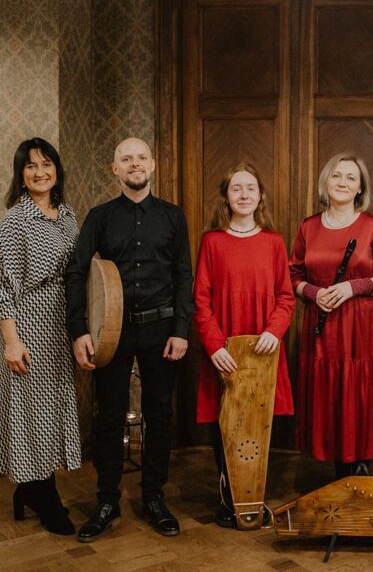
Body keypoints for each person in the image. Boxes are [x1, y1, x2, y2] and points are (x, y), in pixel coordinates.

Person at [65, 137, 193, 542]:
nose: (134, 164)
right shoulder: (99, 217)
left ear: (152, 165)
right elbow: (76, 272)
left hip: (161, 328)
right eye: (126, 159)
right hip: (111, 331)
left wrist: (181, 330)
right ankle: (107, 501)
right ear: (115, 169)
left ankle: (154, 497)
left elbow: (183, 275)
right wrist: (79, 330)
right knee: (109, 415)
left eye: (140, 157)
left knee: (159, 415)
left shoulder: (173, 216)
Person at [193, 163, 295, 528]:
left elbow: (286, 296)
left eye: (250, 188)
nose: (244, 194)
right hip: (225, 350)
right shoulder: (212, 242)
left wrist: (274, 331)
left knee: (258, 420)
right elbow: (201, 300)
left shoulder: (273, 242)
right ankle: (228, 498)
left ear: (260, 195)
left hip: (263, 348)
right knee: (227, 420)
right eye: (236, 188)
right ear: (226, 196)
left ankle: (255, 495)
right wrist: (214, 346)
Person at [290, 153, 373, 478]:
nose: (343, 182)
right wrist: (313, 293)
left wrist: (353, 287)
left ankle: (359, 469)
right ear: (326, 181)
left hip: (363, 326)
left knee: (359, 392)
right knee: (331, 394)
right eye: (337, 175)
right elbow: (292, 275)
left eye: (351, 177)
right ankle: (340, 470)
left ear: (360, 187)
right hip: (323, 325)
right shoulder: (308, 226)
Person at [0, 137, 81, 535]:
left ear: (57, 170)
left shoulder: (67, 216)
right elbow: (2, 286)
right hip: (28, 322)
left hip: (61, 325)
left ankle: (30, 489)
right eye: (30, 166)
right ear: (20, 175)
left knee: (55, 407)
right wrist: (11, 341)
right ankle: (44, 495)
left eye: (46, 164)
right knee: (31, 411)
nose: (39, 172)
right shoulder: (15, 221)